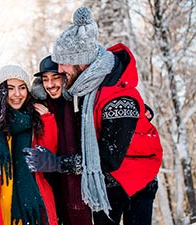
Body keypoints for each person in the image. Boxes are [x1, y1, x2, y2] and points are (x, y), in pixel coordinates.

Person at [24, 6, 163, 225]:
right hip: (106, 182)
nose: (59, 69)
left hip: (135, 180)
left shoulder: (119, 101)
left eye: (63, 62)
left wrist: (57, 163)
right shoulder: (88, 85)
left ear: (81, 61)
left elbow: (107, 158)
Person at [0, 65, 59, 225]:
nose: (17, 94)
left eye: (22, 87)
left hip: (31, 208)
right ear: (1, 91)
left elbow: (48, 154)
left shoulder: (34, 121)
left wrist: (47, 119)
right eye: (10, 88)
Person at [31, 55, 93, 225]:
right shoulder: (38, 106)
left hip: (81, 181)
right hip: (52, 182)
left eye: (55, 78)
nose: (50, 85)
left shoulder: (80, 101)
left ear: (66, 77)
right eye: (45, 79)